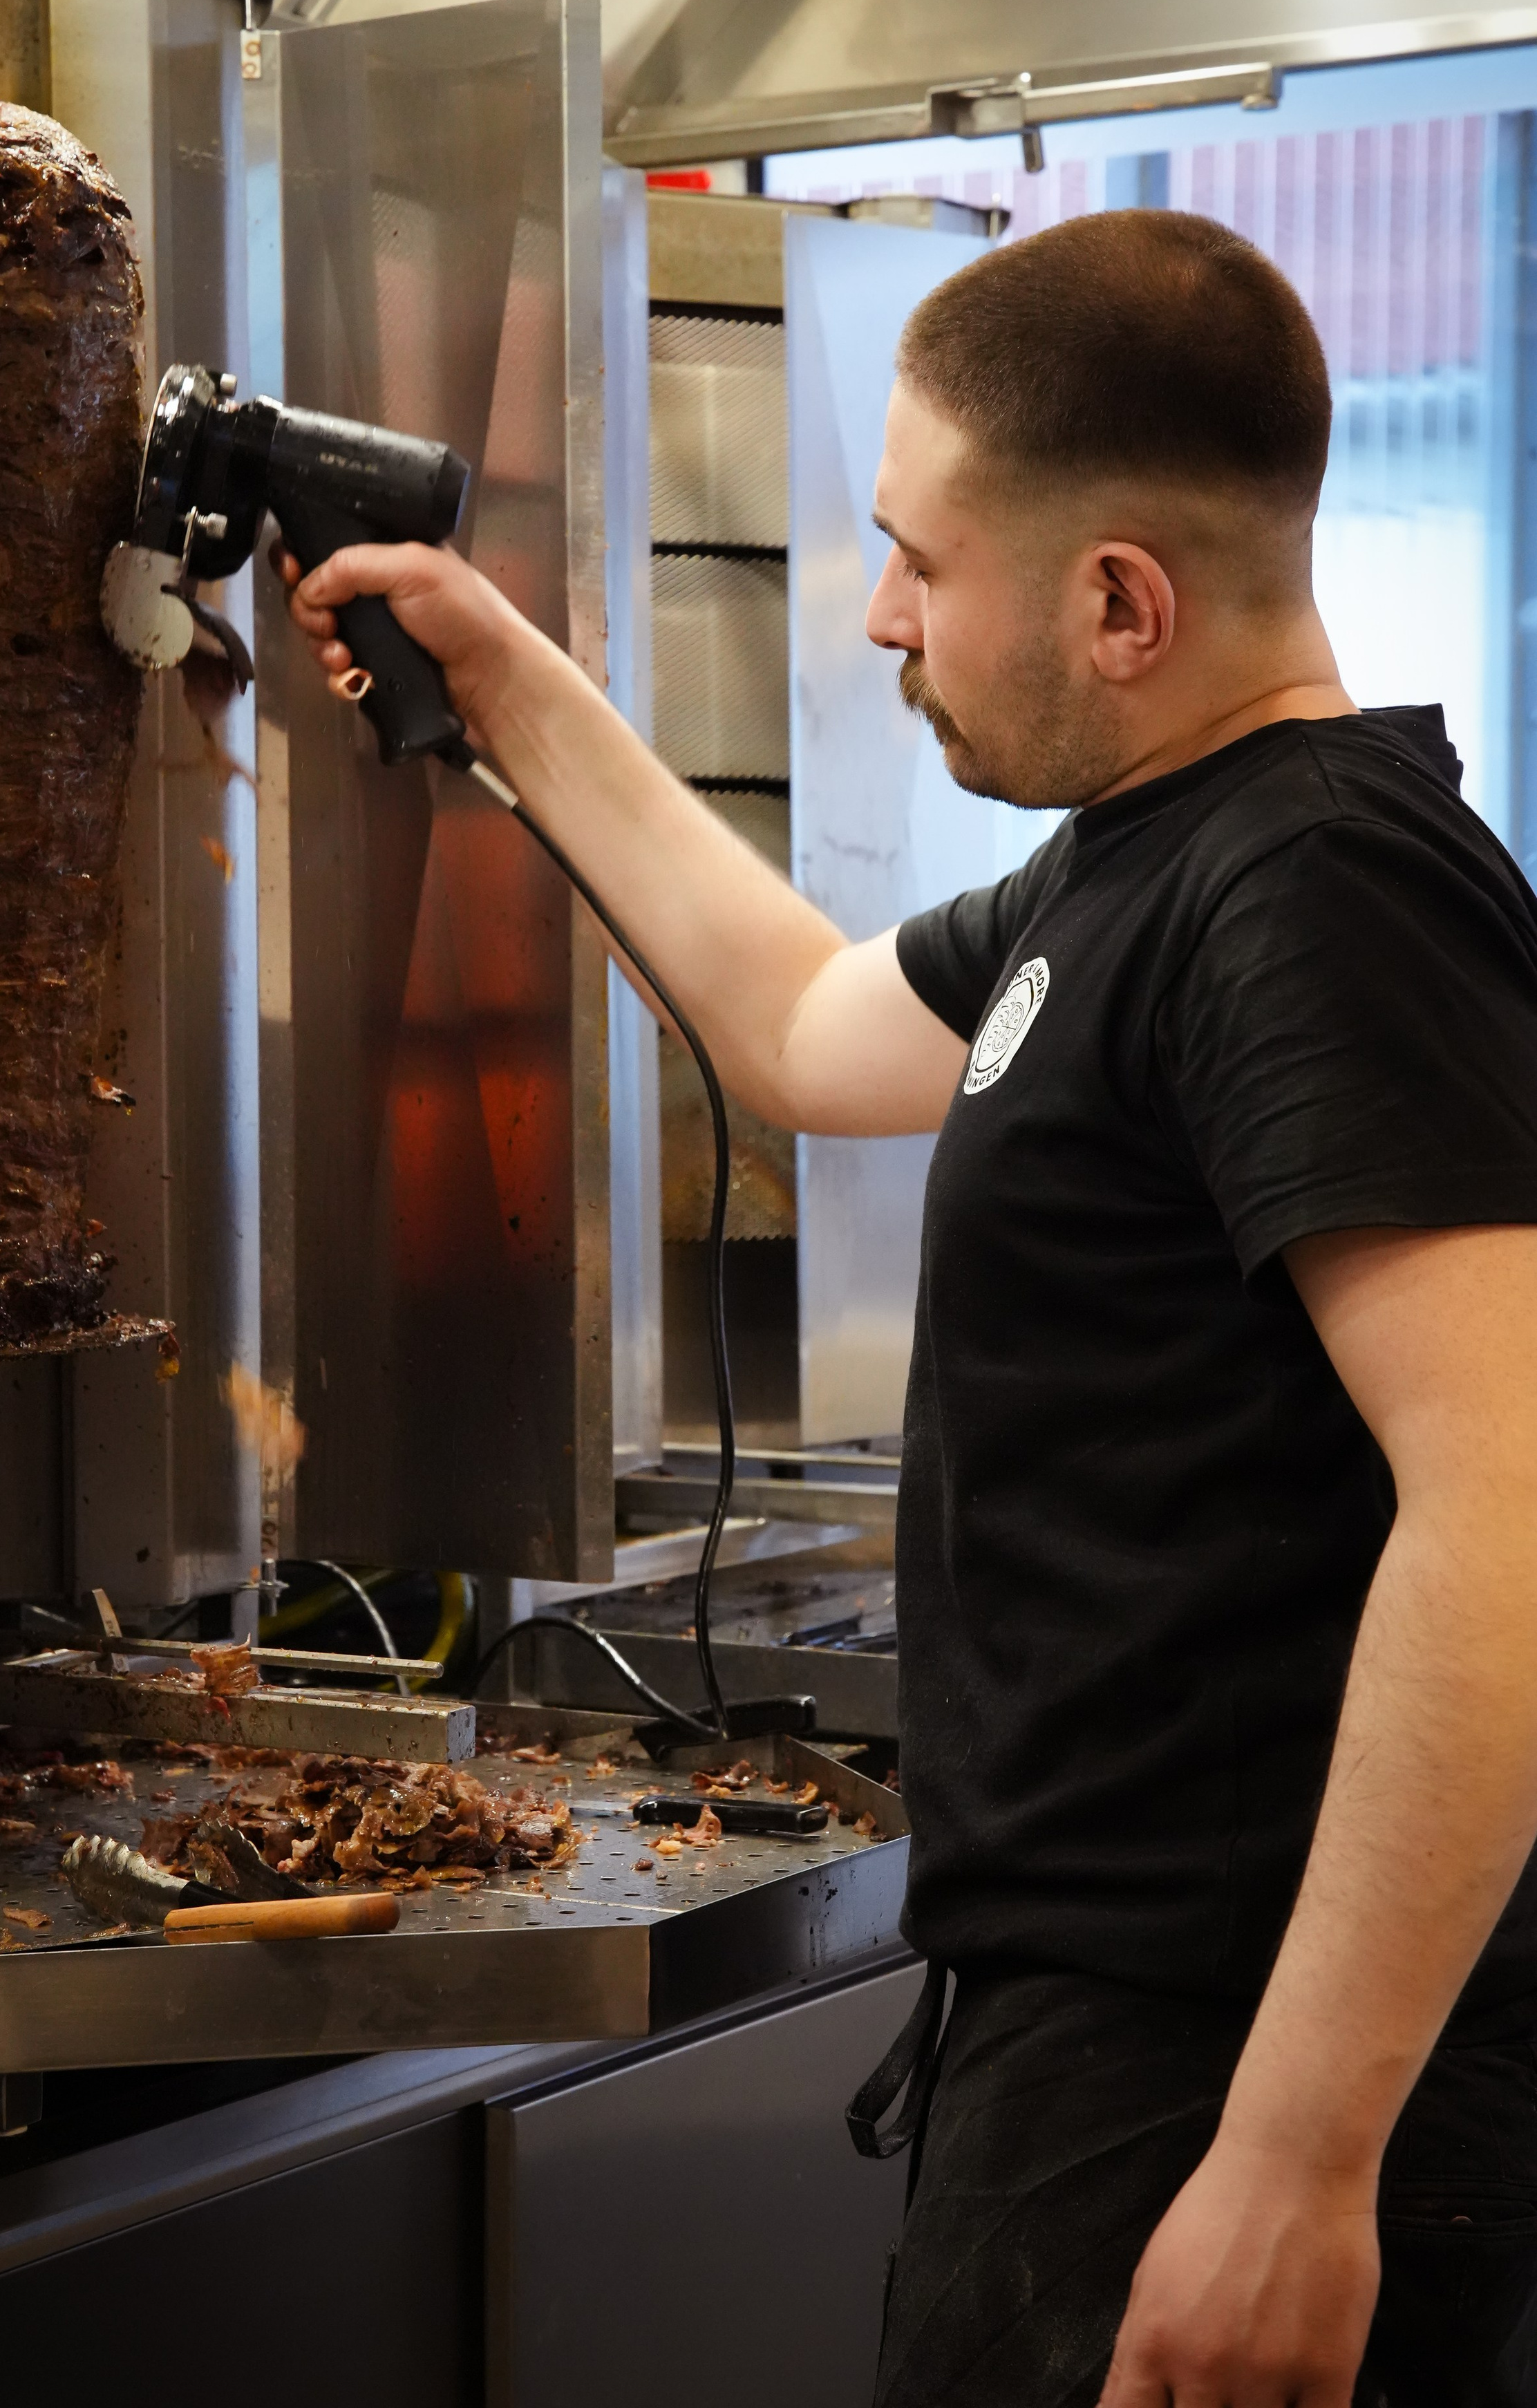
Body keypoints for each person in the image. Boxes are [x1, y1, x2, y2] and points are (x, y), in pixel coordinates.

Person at [278, 209, 1537, 2405]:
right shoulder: (1135, 860)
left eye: (917, 560)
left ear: (1120, 601)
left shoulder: (1315, 885)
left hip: (1218, 2069)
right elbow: (800, 1026)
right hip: (1117, 2045)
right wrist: (501, 670)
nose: (879, 616)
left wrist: (1296, 2159)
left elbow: (1517, 1515)